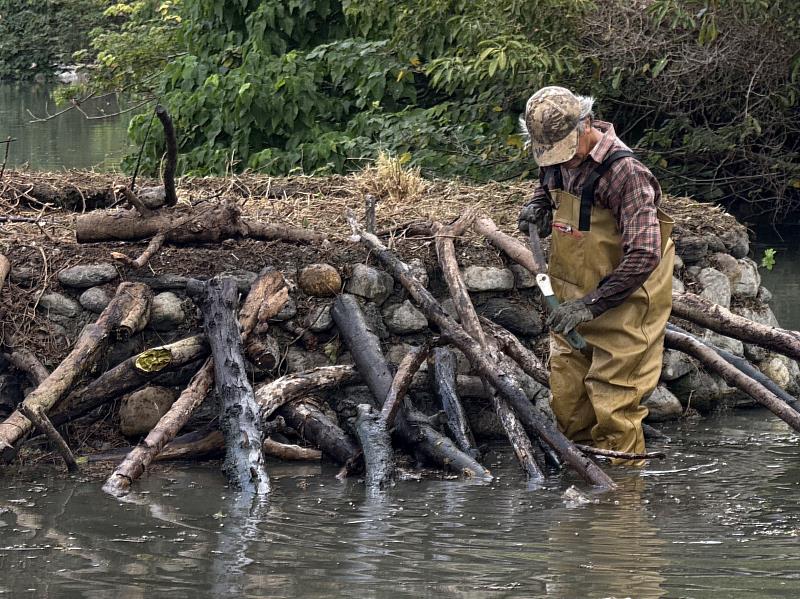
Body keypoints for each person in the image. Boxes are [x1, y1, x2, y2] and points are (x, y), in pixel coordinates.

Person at [517, 86, 674, 463]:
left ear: (586, 124)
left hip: (624, 306)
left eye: (567, 153)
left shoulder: (625, 173)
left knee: (614, 411)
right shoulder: (554, 156)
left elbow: (644, 254)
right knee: (568, 407)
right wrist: (538, 206)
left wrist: (591, 305)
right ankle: (580, 488)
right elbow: (546, 189)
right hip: (569, 302)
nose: (564, 163)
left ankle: (623, 493)